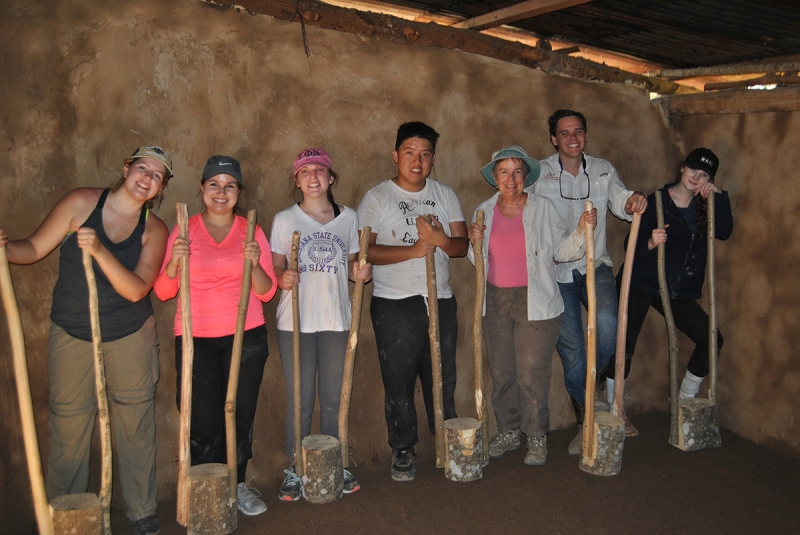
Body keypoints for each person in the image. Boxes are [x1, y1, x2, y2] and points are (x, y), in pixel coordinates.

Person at [0, 146, 172, 535]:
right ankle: (67, 513)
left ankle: (142, 510)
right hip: (72, 330)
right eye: (142, 167)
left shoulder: (154, 229)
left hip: (130, 334)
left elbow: (137, 289)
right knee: (68, 423)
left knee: (134, 423)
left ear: (161, 188)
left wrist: (97, 251)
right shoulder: (81, 203)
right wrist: (5, 248)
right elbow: (32, 249)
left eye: (157, 175)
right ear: (126, 168)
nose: (147, 177)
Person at [154, 155, 277, 516]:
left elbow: (267, 292)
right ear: (202, 188)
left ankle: (236, 485)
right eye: (214, 184)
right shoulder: (184, 229)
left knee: (238, 414)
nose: (221, 193)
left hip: (246, 336)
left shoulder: (252, 231)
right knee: (202, 419)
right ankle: (206, 491)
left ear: (239, 192)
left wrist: (253, 263)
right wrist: (176, 262)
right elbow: (162, 291)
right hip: (196, 338)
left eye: (230, 186)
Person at [468, 146, 596, 465]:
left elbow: (563, 252)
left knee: (531, 374)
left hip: (535, 299)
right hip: (495, 299)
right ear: (495, 177)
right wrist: (475, 242)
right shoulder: (483, 211)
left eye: (517, 171)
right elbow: (476, 261)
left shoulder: (543, 208)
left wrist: (581, 229)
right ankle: (509, 430)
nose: (511, 178)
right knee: (502, 372)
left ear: (526, 176)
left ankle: (536, 435)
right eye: (504, 172)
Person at [357, 121, 468, 481]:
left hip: (440, 300)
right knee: (399, 380)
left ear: (433, 159)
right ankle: (403, 450)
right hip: (394, 304)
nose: (417, 160)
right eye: (409, 152)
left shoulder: (445, 194)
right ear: (395, 156)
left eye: (424, 154)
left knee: (442, 378)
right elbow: (364, 252)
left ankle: (447, 442)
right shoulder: (377, 198)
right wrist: (414, 250)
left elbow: (461, 246)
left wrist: (439, 240)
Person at [531, 109, 647, 453]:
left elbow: (620, 200)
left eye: (578, 131)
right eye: (564, 133)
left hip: (595, 264)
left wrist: (633, 201)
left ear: (585, 136)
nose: (572, 138)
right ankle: (588, 418)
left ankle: (591, 387)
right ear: (554, 139)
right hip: (555, 271)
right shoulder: (541, 172)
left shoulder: (602, 169)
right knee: (571, 349)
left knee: (610, 324)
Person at [606, 148, 732, 433]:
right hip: (641, 280)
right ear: (682, 168)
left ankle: (684, 399)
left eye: (703, 176)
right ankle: (615, 407)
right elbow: (630, 246)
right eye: (692, 171)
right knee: (624, 345)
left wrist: (718, 196)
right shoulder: (656, 202)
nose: (695, 178)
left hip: (676, 289)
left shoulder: (706, 206)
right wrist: (650, 244)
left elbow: (723, 231)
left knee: (712, 339)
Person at [270, 148, 371, 501]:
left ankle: (333, 463)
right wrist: (283, 277)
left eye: (320, 171)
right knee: (300, 400)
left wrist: (361, 271)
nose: (313, 177)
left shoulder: (348, 218)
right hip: (295, 321)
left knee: (332, 399)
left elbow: (356, 262)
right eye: (305, 172)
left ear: (331, 178)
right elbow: (275, 266)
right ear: (296, 180)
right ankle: (296, 470)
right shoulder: (285, 220)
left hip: (335, 318)